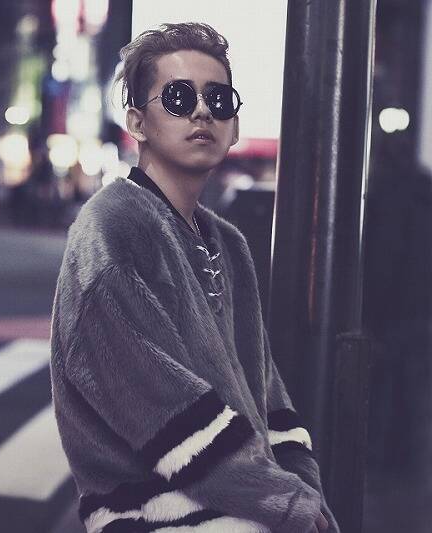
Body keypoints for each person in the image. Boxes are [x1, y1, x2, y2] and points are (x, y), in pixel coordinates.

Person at [49, 22, 338, 533]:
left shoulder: (228, 242)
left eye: (218, 100)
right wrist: (286, 500)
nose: (202, 111)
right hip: (151, 515)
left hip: (245, 509)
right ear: (137, 121)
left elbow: (266, 391)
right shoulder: (112, 227)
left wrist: (302, 489)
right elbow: (158, 404)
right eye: (179, 97)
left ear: (235, 125)